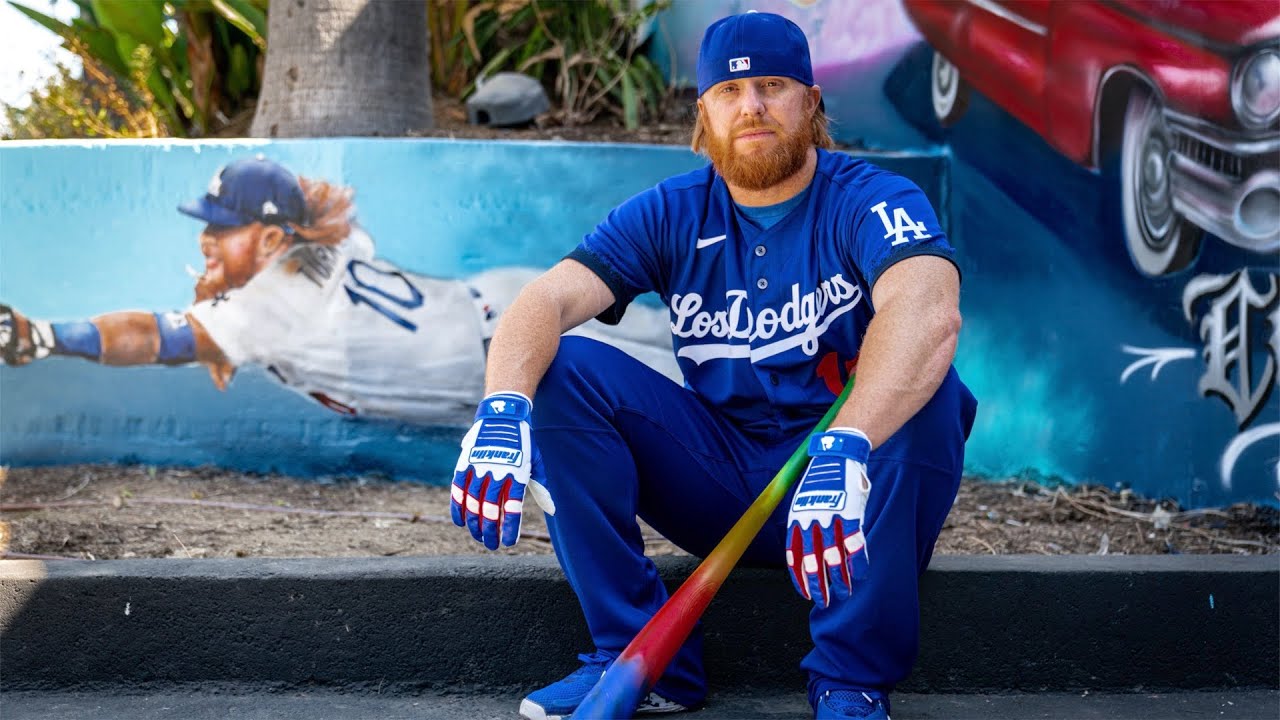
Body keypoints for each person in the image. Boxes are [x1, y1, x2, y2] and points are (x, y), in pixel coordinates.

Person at [449, 11, 977, 720]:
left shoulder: (869, 200)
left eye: (772, 85)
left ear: (811, 102)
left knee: (932, 385)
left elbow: (927, 308)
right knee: (562, 372)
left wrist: (847, 442)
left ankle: (851, 679)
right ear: (703, 114)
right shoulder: (672, 211)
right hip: (719, 479)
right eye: (729, 93)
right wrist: (503, 406)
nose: (751, 107)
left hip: (849, 491)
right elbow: (545, 299)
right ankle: (638, 656)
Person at [0, 157, 678, 427]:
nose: (207, 240)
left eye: (223, 228)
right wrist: (219, 318)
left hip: (512, 347)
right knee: (696, 352)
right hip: (497, 310)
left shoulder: (264, 306)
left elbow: (153, 335)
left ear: (270, 239)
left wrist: (45, 336)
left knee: (695, 379)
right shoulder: (321, 244)